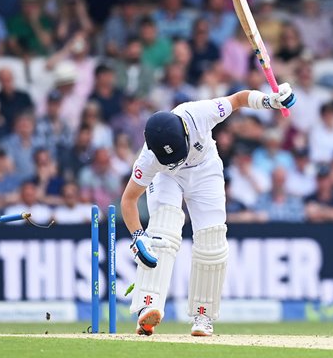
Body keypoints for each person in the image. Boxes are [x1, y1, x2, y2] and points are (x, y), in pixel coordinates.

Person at [120, 82, 296, 336]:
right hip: (167, 178)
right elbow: (128, 200)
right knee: (161, 235)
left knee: (212, 242)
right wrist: (138, 236)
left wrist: (271, 101)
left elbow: (239, 99)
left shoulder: (199, 113)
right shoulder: (149, 159)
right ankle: (147, 308)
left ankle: (203, 317)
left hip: (205, 171)